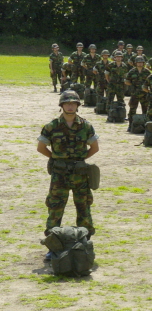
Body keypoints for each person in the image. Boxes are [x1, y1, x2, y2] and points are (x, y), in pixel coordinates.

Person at [37, 91, 99, 255]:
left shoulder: (86, 126)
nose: (70, 106)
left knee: (84, 208)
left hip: (80, 175)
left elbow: (95, 147)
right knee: (55, 209)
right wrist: (56, 159)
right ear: (62, 105)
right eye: (67, 103)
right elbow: (41, 147)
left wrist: (80, 160)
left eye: (73, 103)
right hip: (60, 175)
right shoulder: (52, 126)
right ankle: (53, 245)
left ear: (77, 106)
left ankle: (85, 243)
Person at [124, 56, 151, 131]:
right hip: (134, 94)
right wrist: (132, 86)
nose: (140, 64)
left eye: (141, 62)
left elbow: (150, 82)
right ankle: (130, 125)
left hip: (144, 94)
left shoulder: (147, 72)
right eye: (138, 62)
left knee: (145, 110)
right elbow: (126, 81)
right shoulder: (132, 71)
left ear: (143, 63)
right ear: (136, 63)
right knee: (132, 110)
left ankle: (146, 126)